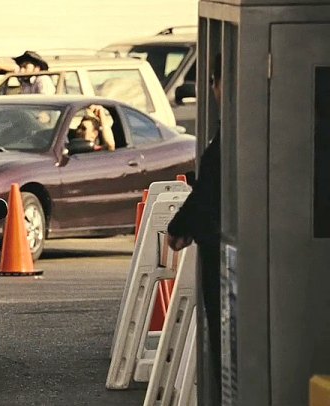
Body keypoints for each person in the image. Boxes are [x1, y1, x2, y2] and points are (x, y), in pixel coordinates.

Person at [166, 53, 222, 404]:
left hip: (228, 260)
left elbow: (209, 191)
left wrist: (180, 227)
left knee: (224, 342)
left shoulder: (231, 137)